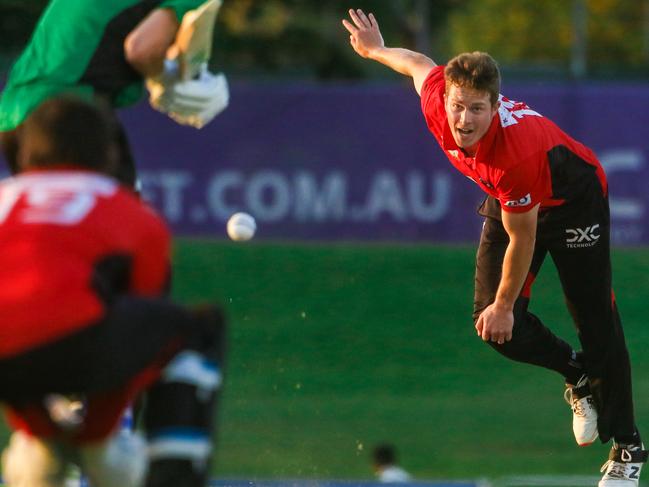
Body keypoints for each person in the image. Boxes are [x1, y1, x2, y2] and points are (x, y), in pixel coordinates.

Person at [343, 8, 646, 486]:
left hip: (573, 201)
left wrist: (508, 303)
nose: (464, 119)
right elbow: (418, 62)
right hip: (513, 202)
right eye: (458, 105)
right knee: (493, 326)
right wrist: (377, 49)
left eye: (478, 109)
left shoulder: (513, 154)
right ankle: (577, 376)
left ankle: (629, 449)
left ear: (495, 105)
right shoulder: (439, 102)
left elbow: (524, 238)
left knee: (595, 320)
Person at [0, 96, 226, 487]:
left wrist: (39, 429)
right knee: (197, 330)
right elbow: (141, 347)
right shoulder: (131, 213)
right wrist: (98, 434)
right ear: (109, 154)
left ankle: (44, 449)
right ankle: (174, 477)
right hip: (77, 344)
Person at [0, 0, 229, 189]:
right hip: (67, 114)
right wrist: (165, 79)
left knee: (49, 226)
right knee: (115, 224)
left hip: (14, 114)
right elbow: (142, 49)